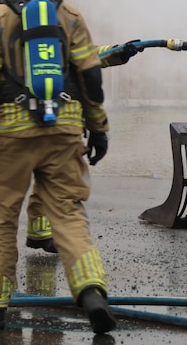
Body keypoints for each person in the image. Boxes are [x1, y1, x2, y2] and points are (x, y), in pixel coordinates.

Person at [0, 0, 117, 334]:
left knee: (0, 215)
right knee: (68, 212)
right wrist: (98, 128)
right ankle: (91, 292)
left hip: (11, 135)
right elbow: (91, 78)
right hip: (64, 130)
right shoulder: (69, 16)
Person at [24, 39, 142, 253]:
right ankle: (61, 236)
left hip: (59, 119)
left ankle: (40, 230)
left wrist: (121, 51)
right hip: (49, 118)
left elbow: (92, 55)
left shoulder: (61, 38)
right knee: (61, 177)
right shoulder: (38, 42)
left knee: (50, 175)